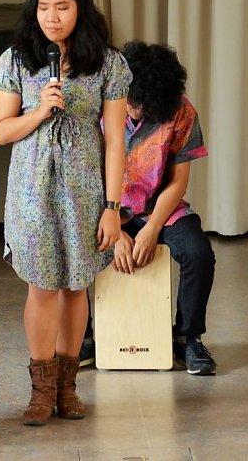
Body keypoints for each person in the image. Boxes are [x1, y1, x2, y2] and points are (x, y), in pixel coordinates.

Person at [0, 0, 129, 426]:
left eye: (62, 7)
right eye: (44, 7)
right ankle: (41, 390)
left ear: (80, 10)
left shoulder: (108, 64)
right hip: (32, 191)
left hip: (85, 192)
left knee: (75, 286)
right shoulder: (17, 60)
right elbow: (1, 131)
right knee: (43, 286)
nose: (51, 17)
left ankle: (68, 387)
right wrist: (40, 111)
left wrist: (112, 207)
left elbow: (116, 141)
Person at [79, 41, 217, 376]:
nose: (133, 110)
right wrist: (114, 230)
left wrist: (153, 227)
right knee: (74, 247)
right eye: (130, 101)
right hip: (103, 207)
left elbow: (178, 181)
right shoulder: (96, 106)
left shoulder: (182, 112)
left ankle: (187, 337)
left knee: (198, 254)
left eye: (142, 105)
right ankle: (83, 338)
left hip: (160, 209)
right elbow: (85, 178)